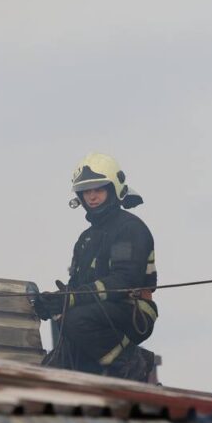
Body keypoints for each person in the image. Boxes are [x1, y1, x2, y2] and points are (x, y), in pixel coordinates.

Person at [32, 153, 158, 380]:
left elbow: (123, 280)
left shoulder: (128, 229)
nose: (92, 197)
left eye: (98, 190)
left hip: (131, 310)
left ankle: (130, 364)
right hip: (95, 314)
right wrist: (54, 303)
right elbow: (76, 287)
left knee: (76, 320)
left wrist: (70, 300)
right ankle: (98, 374)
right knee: (50, 372)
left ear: (113, 189)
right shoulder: (86, 239)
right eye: (86, 192)